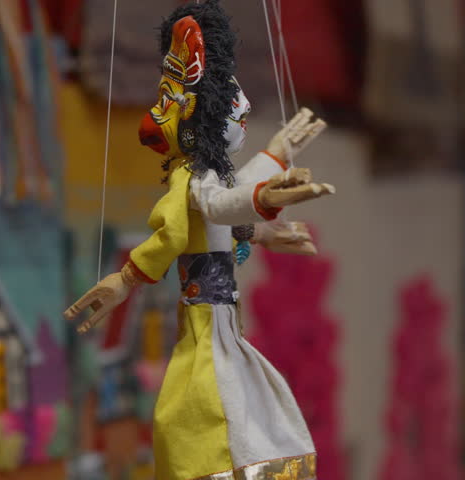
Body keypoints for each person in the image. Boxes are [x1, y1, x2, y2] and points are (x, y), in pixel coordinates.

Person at [64, 2, 334, 478]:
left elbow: (227, 212)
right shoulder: (192, 179)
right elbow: (217, 208)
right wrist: (266, 192)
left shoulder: (208, 176)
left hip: (224, 318)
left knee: (245, 405)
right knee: (218, 410)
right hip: (207, 321)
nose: (244, 114)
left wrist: (273, 175)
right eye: (234, 109)